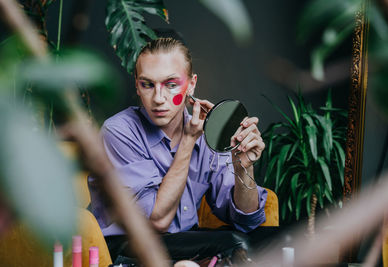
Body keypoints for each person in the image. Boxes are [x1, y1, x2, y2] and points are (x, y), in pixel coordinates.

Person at [88, 36, 269, 264]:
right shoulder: (118, 131)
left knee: (279, 237)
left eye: (171, 84)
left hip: (185, 243)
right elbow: (157, 221)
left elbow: (247, 220)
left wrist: (243, 165)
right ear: (136, 84)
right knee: (234, 244)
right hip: (127, 247)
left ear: (191, 85)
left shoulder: (208, 130)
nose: (159, 98)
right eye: (148, 84)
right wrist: (189, 139)